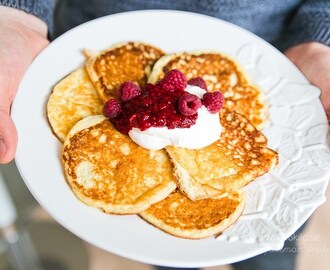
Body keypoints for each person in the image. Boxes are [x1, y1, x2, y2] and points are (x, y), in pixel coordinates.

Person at [0, 1, 329, 270]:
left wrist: (319, 40)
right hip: (92, 25)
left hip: (282, 51)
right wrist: (16, 16)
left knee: (275, 253)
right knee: (169, 257)